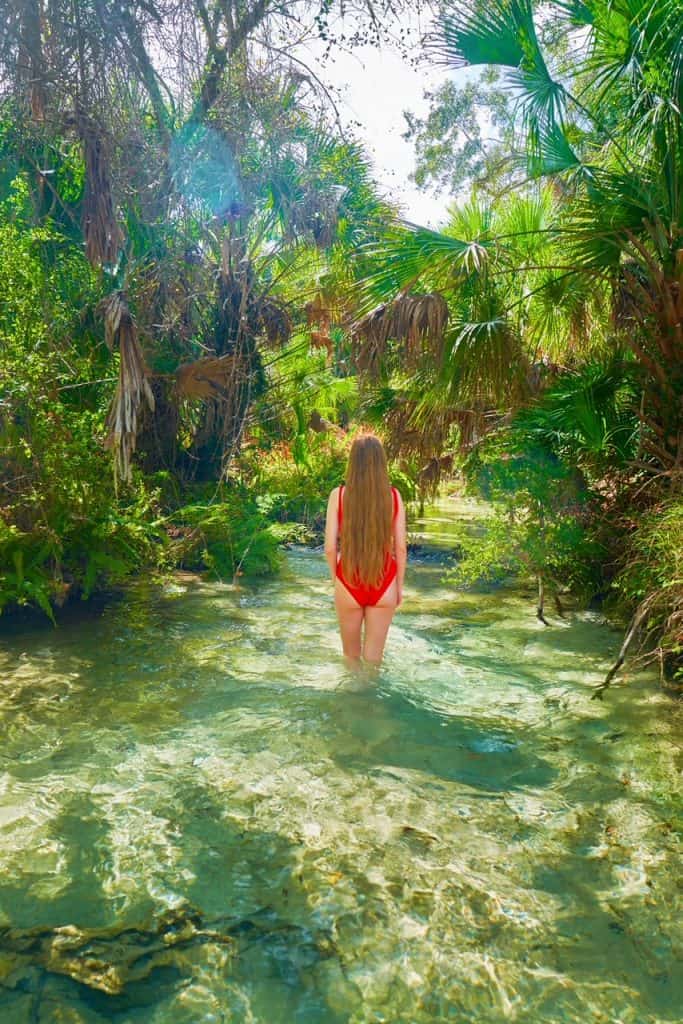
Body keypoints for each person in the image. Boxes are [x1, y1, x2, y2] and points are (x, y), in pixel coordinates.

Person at [324, 434, 407, 666]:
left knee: (350, 658)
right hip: (384, 581)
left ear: (353, 462)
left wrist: (336, 579)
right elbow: (400, 548)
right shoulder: (394, 497)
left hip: (348, 579)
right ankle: (372, 702)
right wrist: (398, 588)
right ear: (382, 462)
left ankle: (352, 701)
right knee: (373, 661)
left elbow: (330, 548)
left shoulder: (338, 495)